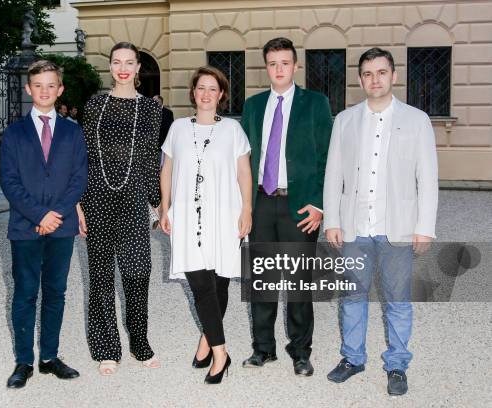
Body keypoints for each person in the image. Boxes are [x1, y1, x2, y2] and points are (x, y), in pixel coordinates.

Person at [324, 48, 438, 396]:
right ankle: (353, 358)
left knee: (397, 299)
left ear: (393, 75)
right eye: (368, 74)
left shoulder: (417, 120)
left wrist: (425, 226)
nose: (375, 79)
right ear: (361, 79)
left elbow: (428, 177)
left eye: (382, 72)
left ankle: (398, 364)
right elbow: (334, 174)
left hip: (397, 226)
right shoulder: (345, 120)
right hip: (355, 224)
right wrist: (332, 219)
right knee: (352, 296)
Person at [240, 37, 333, 375]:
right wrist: (243, 206)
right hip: (262, 202)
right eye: (272, 63)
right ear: (266, 67)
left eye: (284, 63)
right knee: (262, 279)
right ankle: (263, 349)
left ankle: (300, 351)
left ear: (295, 66)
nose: (278, 69)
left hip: (300, 206)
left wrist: (320, 204)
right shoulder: (252, 106)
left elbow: (328, 157)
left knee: (297, 283)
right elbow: (243, 159)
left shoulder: (316, 103)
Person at [159, 67, 252, 384]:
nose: (207, 94)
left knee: (219, 284)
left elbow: (243, 173)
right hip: (186, 215)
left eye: (213, 88)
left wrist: (248, 209)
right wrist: (163, 207)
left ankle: (206, 340)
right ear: (193, 92)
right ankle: (221, 352)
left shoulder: (233, 131)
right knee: (200, 283)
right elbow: (167, 170)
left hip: (225, 215)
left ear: (222, 94)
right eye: (201, 88)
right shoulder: (178, 129)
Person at [0, 60, 88, 389]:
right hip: (25, 228)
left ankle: (49, 357)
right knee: (24, 294)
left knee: (55, 292)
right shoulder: (14, 133)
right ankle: (23, 361)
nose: (45, 91)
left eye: (51, 85)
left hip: (62, 228)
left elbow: (79, 179)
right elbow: (9, 182)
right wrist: (39, 215)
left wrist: (58, 215)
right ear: (29, 89)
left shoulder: (72, 131)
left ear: (60, 89)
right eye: (39, 86)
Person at [78, 41, 162, 376]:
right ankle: (106, 348)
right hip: (96, 195)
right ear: (110, 67)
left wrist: (158, 204)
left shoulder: (152, 109)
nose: (123, 68)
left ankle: (139, 342)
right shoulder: (95, 105)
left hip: (134, 197)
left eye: (129, 62)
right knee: (100, 275)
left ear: (139, 67)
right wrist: (78, 204)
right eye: (117, 62)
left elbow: (150, 158)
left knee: (138, 271)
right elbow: (82, 155)